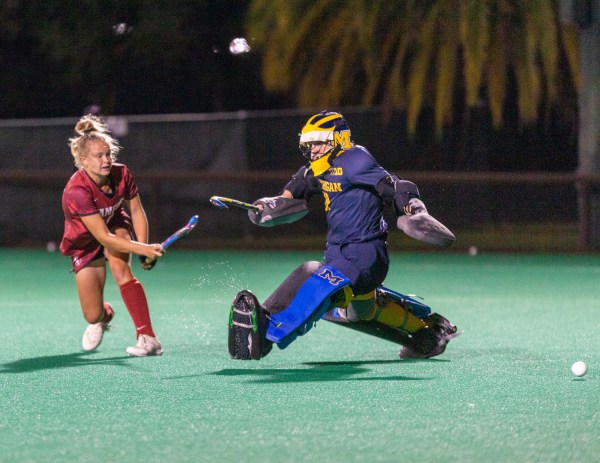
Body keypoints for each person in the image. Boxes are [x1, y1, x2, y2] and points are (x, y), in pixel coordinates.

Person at [228, 110, 459, 361]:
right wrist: (265, 207)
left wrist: (414, 210)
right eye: (309, 144)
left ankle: (266, 331)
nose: (313, 149)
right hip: (338, 255)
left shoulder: (355, 160)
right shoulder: (320, 168)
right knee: (360, 312)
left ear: (338, 139)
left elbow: (395, 186)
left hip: (365, 256)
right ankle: (427, 332)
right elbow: (295, 192)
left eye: (318, 142)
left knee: (313, 275)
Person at [60, 114, 165, 356]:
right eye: (99, 156)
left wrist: (143, 247)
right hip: (85, 242)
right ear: (83, 160)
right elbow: (102, 237)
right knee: (92, 313)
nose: (106, 160)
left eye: (108, 154)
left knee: (120, 269)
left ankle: (147, 338)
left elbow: (136, 211)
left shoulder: (121, 173)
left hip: (115, 224)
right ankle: (104, 317)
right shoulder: (77, 191)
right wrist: (144, 250)